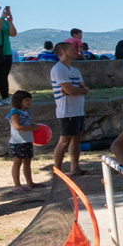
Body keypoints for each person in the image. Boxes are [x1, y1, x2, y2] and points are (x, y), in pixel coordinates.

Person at [50, 41, 89, 176]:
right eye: (72, 49)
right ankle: (58, 170)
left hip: (78, 108)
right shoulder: (58, 69)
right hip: (66, 110)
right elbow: (71, 90)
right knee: (64, 140)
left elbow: (82, 88)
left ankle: (75, 167)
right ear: (64, 51)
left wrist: (77, 90)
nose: (75, 51)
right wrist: (77, 90)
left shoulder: (75, 70)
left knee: (77, 139)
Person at [6, 90, 37, 192]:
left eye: (30, 100)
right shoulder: (14, 112)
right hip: (18, 142)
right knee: (17, 162)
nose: (29, 102)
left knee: (27, 162)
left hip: (27, 140)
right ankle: (17, 185)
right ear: (19, 100)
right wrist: (31, 128)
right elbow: (17, 127)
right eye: (26, 100)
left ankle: (30, 182)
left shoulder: (26, 111)